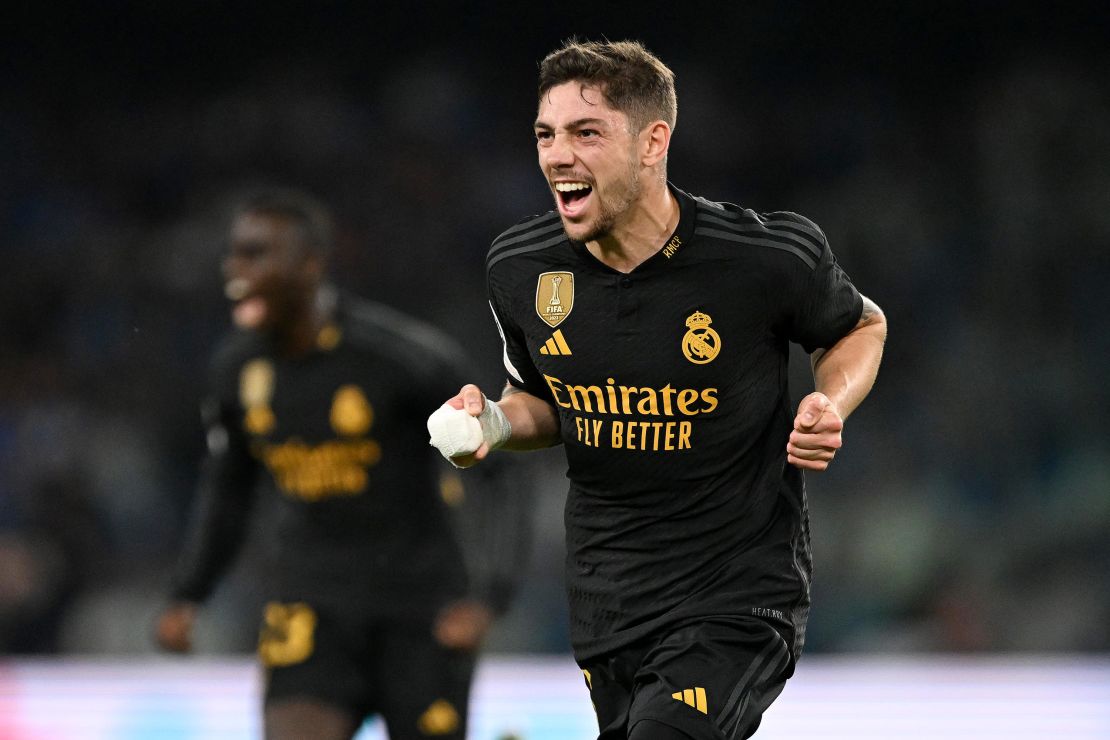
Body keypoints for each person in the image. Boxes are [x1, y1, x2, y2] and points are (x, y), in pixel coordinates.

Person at [426, 40, 887, 740]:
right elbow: (546, 402)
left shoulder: (763, 257)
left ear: (653, 142)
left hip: (734, 598)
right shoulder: (520, 266)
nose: (557, 155)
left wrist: (831, 400)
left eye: (586, 133)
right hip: (607, 601)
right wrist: (490, 422)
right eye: (546, 135)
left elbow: (859, 325)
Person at [155, 188, 529, 740]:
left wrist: (489, 595)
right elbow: (228, 489)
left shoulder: (401, 358)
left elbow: (502, 466)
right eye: (235, 253)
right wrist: (190, 593)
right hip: (310, 605)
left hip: (421, 611)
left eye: (257, 254)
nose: (236, 268)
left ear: (310, 265)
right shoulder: (237, 369)